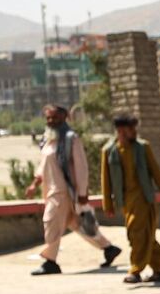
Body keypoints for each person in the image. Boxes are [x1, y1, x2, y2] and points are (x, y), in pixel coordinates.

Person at [25, 104, 121, 275]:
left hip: (63, 191)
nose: (51, 121)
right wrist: (34, 184)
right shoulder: (48, 139)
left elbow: (81, 167)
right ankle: (108, 248)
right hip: (51, 190)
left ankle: (50, 262)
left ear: (64, 118)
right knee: (78, 224)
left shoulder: (71, 139)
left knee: (51, 222)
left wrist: (83, 193)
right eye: (48, 118)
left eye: (54, 117)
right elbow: (44, 166)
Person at [99, 114, 160, 284]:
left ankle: (135, 270)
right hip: (126, 201)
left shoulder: (142, 148)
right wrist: (107, 204)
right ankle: (158, 270)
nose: (134, 132)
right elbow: (106, 180)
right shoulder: (109, 151)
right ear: (120, 130)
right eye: (130, 129)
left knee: (136, 235)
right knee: (146, 236)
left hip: (144, 199)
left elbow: (156, 172)